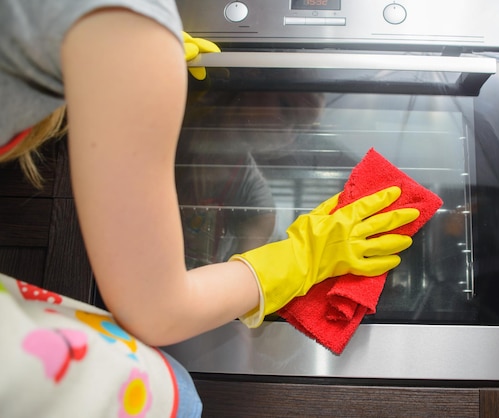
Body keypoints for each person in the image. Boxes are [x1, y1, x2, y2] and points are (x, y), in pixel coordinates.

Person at [0, 1, 420, 416]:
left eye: (300, 128)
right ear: (250, 85)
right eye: (288, 108)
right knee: (173, 392)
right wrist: (302, 258)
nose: (290, 131)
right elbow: (159, 313)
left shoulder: (254, 191)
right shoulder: (133, 25)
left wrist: (116, 73)